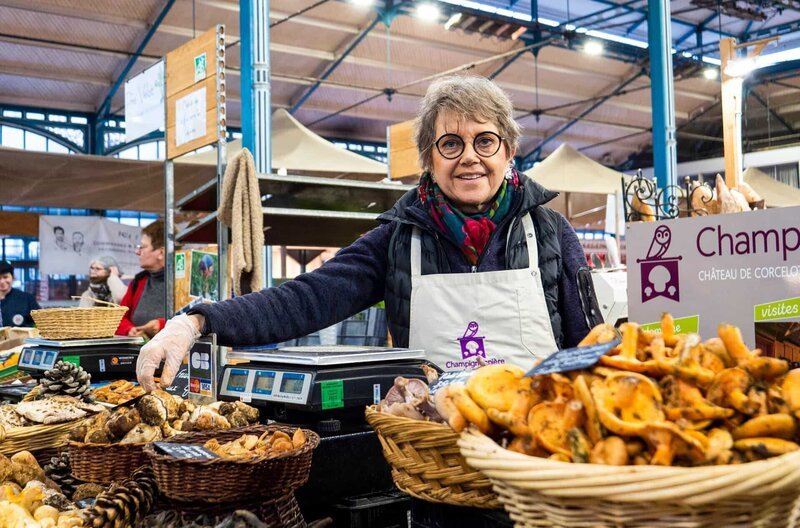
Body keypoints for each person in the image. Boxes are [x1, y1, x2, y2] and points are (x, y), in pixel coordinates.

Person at [136, 76, 600, 391]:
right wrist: (196, 320)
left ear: (509, 150)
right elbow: (305, 299)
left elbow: (592, 347)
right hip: (431, 464)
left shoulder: (550, 232)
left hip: (535, 458)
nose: (469, 157)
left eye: (485, 140)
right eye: (450, 144)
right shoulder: (398, 239)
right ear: (429, 158)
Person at [116, 221, 167, 338]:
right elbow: (119, 318)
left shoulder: (182, 283)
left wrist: (161, 325)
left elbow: (193, 317)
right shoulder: (138, 282)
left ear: (161, 252)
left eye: (142, 247)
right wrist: (129, 330)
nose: (137, 252)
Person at [0, 260, 40, 327]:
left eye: (5, 277)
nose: (2, 281)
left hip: (21, 337)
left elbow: (40, 322)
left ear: (13, 277)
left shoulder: (27, 299)